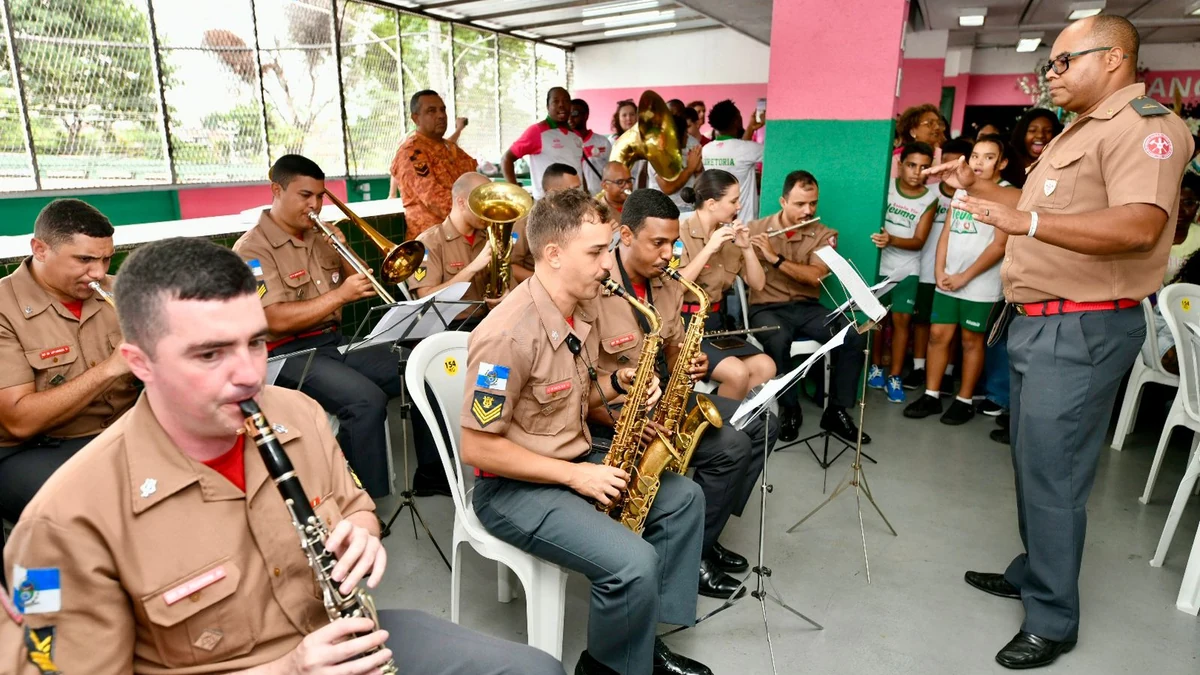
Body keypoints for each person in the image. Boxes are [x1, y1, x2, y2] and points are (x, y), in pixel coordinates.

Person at [0, 237, 563, 675]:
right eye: (210, 353)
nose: (248, 374)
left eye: (255, 342)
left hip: (341, 641)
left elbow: (356, 507)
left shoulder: (296, 413)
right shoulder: (60, 524)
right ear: (139, 362)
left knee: (537, 667)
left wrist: (363, 533)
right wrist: (286, 667)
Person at [926, 14, 1193, 669]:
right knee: (1031, 462)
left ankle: (1053, 616)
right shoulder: (1083, 129)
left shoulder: (1146, 126)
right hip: (1041, 320)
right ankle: (1032, 567)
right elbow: (1040, 205)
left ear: (1113, 60)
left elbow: (1139, 223)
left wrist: (1026, 219)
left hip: (1081, 325)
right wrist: (974, 187)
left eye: (1063, 61)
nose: (1051, 74)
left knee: (1056, 476)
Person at [460, 188, 712, 675]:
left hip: (573, 459)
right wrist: (577, 478)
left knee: (684, 498)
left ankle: (641, 643)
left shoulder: (582, 307)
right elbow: (479, 446)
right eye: (595, 252)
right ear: (552, 255)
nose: (605, 264)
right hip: (513, 490)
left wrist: (619, 386)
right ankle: (605, 668)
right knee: (632, 562)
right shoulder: (505, 337)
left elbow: (567, 401)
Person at [591, 189, 778, 600]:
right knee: (730, 445)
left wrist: (688, 365)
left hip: (661, 400)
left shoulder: (669, 283)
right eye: (657, 243)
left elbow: (673, 348)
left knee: (763, 419)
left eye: (673, 243)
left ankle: (702, 540)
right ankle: (692, 556)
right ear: (624, 235)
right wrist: (627, 416)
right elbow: (582, 383)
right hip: (616, 415)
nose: (667, 254)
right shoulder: (597, 288)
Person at [233, 154, 446, 498]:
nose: (315, 205)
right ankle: (363, 502)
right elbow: (272, 320)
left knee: (422, 370)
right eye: (305, 196)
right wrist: (339, 297)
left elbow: (362, 282)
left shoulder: (319, 236)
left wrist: (343, 249)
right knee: (365, 401)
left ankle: (433, 477)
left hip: (334, 344)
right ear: (277, 190)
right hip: (285, 355)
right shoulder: (251, 250)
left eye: (319, 196)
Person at [0, 199, 138, 532]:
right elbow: (19, 420)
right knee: (101, 514)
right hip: (34, 449)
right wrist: (112, 367)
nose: (99, 273)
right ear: (40, 249)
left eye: (106, 259)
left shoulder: (119, 291)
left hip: (125, 430)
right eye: (85, 259)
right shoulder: (5, 309)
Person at [745, 171, 872, 445]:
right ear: (783, 201)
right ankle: (790, 408)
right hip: (767, 307)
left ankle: (836, 411)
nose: (808, 210)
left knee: (853, 336)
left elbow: (816, 275)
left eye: (813, 203)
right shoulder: (756, 229)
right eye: (800, 204)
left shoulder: (825, 234)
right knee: (777, 340)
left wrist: (774, 257)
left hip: (806, 306)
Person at [904, 134, 1011, 425]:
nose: (979, 162)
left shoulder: (1005, 194)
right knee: (938, 336)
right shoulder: (961, 191)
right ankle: (932, 394)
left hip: (980, 284)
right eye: (975, 155)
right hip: (949, 279)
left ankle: (963, 400)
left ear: (1002, 163)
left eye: (989, 157)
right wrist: (940, 271)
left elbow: (999, 245)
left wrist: (965, 276)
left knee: (970, 341)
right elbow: (947, 234)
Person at [676, 170, 776, 399]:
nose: (739, 206)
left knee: (766, 367)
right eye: (733, 200)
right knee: (738, 374)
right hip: (684, 327)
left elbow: (758, 284)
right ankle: (721, 427)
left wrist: (746, 247)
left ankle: (712, 412)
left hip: (716, 324)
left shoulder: (729, 235)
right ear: (712, 203)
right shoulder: (680, 233)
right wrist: (708, 248)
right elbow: (676, 288)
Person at [409, 172, 532, 324]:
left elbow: (511, 286)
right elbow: (426, 298)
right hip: (450, 329)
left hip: (491, 323)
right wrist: (473, 267)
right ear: (461, 203)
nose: (489, 211)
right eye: (482, 203)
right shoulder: (429, 243)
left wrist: (506, 295)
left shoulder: (490, 238)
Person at [868, 142, 939, 403]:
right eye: (911, 165)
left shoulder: (930, 199)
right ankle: (876, 366)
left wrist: (892, 240)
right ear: (900, 165)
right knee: (876, 321)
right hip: (879, 266)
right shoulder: (886, 187)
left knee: (902, 323)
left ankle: (895, 375)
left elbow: (920, 240)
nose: (916, 172)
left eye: (924, 167)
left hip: (908, 270)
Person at [906, 138, 974, 392]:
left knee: (951, 327)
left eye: (954, 164)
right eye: (944, 162)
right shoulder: (930, 194)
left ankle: (947, 371)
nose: (948, 168)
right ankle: (919, 367)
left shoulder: (970, 197)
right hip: (926, 269)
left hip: (954, 273)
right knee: (923, 322)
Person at [389, 89, 477, 238]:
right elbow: (435, 199)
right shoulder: (412, 152)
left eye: (443, 110)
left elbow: (474, 183)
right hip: (432, 244)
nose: (441, 115)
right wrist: (477, 213)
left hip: (463, 237)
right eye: (431, 111)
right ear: (416, 119)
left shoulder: (451, 148)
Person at [503, 86, 583, 199]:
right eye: (556, 101)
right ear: (548, 106)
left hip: (577, 201)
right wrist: (515, 192)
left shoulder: (576, 135)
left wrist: (586, 193)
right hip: (549, 204)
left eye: (566, 101)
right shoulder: (537, 131)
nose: (561, 105)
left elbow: (579, 168)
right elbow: (507, 158)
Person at [701, 100, 765, 223]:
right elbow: (743, 151)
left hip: (718, 222)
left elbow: (738, 151)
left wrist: (751, 128)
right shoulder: (748, 149)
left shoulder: (706, 150)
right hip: (745, 223)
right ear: (736, 121)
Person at [648, 110, 704, 213]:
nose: (687, 137)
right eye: (684, 134)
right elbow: (667, 188)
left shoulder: (692, 144)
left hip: (690, 208)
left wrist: (698, 171)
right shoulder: (657, 153)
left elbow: (701, 180)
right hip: (663, 211)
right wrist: (690, 169)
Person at [1000, 108, 1064, 188]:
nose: (1040, 135)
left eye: (1048, 131)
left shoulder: (1059, 166)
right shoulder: (1007, 164)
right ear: (1022, 134)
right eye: (1032, 130)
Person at [571, 98, 613, 196]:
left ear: (586, 115)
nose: (570, 117)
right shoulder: (565, 144)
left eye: (574, 113)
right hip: (576, 199)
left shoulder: (603, 142)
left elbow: (611, 172)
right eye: (568, 113)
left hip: (600, 198)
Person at [1164, 172, 1200, 282]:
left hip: (1186, 297)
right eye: (1174, 203)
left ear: (1198, 206)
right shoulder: (1150, 232)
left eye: (1188, 203)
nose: (1179, 210)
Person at [893, 104, 946, 174]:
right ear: (913, 132)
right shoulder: (898, 158)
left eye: (938, 123)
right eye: (930, 123)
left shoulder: (943, 156)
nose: (937, 127)